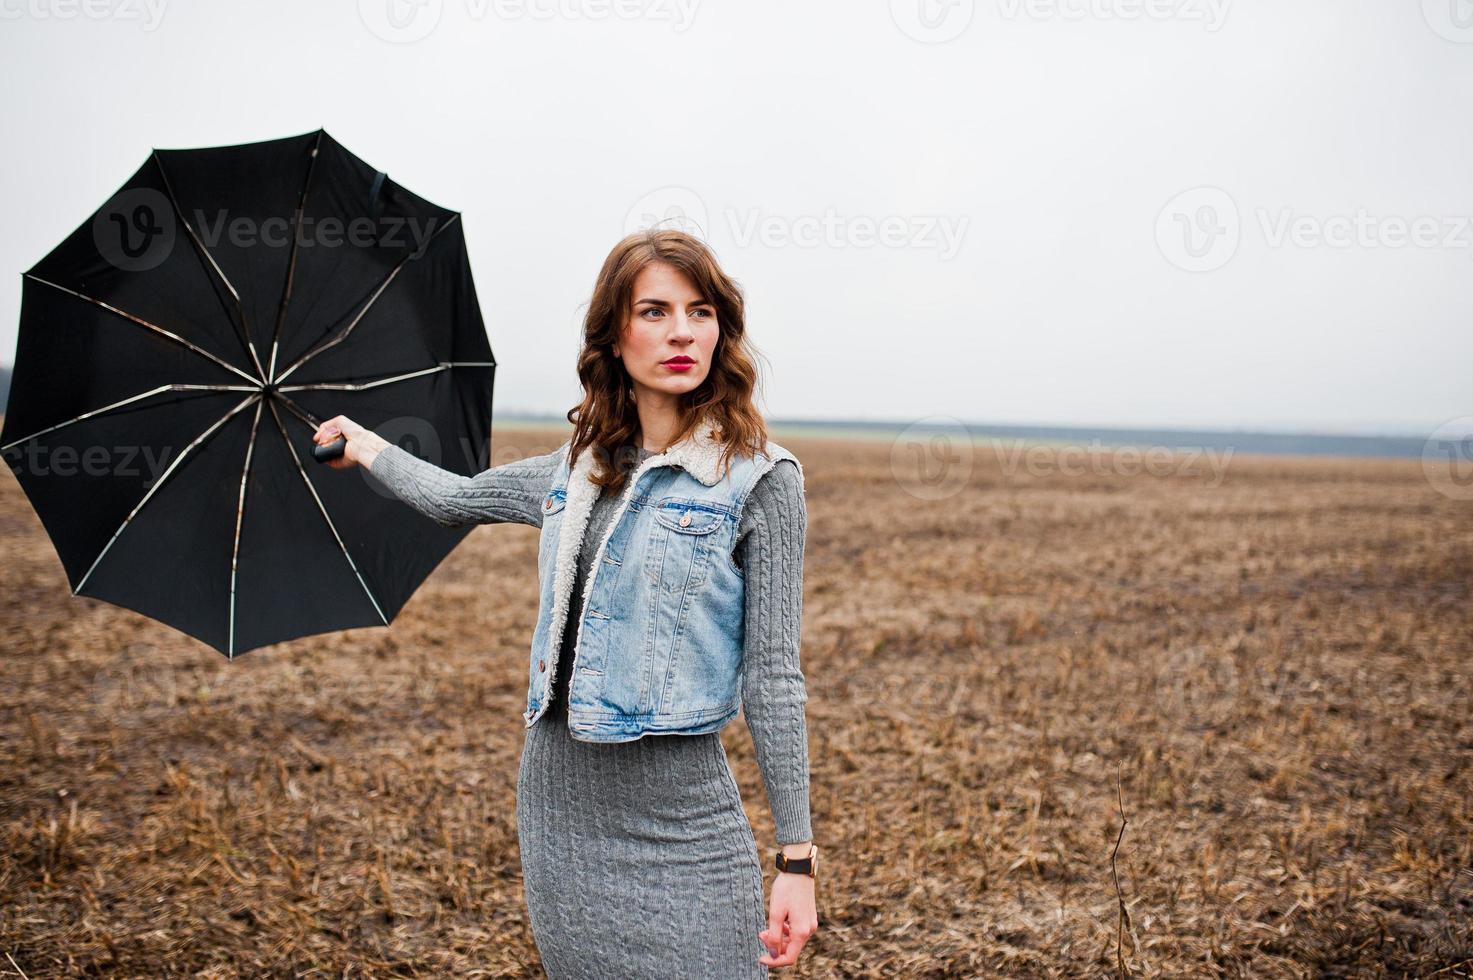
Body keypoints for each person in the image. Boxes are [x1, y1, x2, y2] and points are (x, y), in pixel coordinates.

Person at [311, 229, 818, 977]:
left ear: (721, 329)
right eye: (653, 311)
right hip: (560, 804)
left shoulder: (759, 482)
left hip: (682, 811)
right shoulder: (572, 471)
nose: (681, 331)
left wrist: (797, 862)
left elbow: (772, 678)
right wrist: (364, 444)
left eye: (700, 311)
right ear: (613, 335)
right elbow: (454, 499)